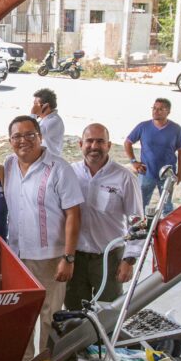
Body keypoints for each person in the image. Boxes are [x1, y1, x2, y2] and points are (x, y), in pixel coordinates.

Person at [2, 115, 83, 361]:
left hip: (51, 258)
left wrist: (68, 257)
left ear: (40, 136)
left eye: (30, 135)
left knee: (50, 317)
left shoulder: (59, 168)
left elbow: (73, 214)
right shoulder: (8, 164)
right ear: (10, 140)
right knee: (20, 315)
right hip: (17, 256)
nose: (23, 141)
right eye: (17, 136)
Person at [65, 123, 144, 310]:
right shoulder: (69, 173)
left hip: (109, 259)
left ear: (108, 145)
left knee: (108, 313)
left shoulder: (125, 178)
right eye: (89, 141)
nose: (94, 146)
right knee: (74, 313)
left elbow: (138, 223)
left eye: (100, 141)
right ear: (80, 144)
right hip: (75, 258)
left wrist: (129, 260)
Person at [123, 97, 181, 216]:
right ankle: (141, 225)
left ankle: (166, 226)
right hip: (146, 173)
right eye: (154, 108)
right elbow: (127, 143)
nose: (156, 111)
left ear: (168, 112)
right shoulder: (143, 126)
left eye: (160, 109)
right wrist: (134, 162)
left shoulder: (176, 129)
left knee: (166, 206)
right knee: (140, 205)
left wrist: (180, 172)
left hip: (167, 175)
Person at [32, 88, 65, 158]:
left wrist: (33, 114)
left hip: (51, 160)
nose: (33, 107)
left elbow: (31, 135)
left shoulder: (54, 121)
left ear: (46, 106)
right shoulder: (45, 119)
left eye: (36, 104)